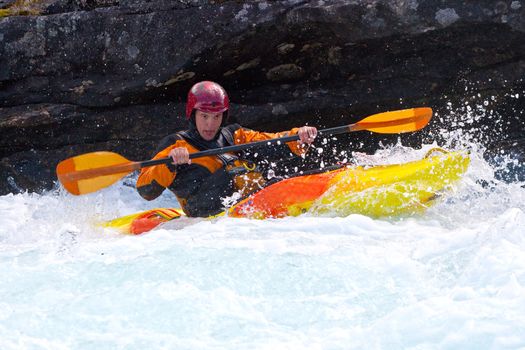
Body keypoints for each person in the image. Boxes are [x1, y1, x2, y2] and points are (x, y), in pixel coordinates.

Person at [136, 81, 317, 217]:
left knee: (256, 168)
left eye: (216, 117)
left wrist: (298, 136)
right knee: (231, 171)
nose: (210, 124)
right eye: (204, 116)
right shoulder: (176, 144)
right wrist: (170, 162)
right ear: (193, 114)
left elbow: (270, 142)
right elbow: (146, 190)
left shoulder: (234, 135)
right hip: (204, 217)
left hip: (243, 204)